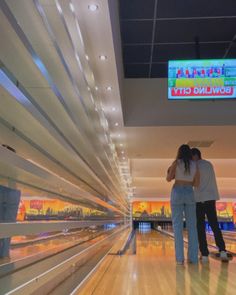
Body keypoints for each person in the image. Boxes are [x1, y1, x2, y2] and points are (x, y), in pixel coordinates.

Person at [191, 148, 229, 262]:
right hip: (211, 199)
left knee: (200, 227)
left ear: (195, 156)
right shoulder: (209, 164)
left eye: (191, 157)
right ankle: (222, 251)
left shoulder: (195, 166)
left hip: (199, 200)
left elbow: (194, 181)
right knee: (214, 225)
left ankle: (204, 255)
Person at [167, 144, 199, 265]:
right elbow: (197, 183)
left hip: (177, 191)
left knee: (177, 227)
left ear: (179, 153)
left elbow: (168, 178)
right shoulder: (195, 165)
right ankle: (193, 258)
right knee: (192, 227)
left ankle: (180, 259)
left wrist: (172, 172)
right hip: (190, 192)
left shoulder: (176, 163)